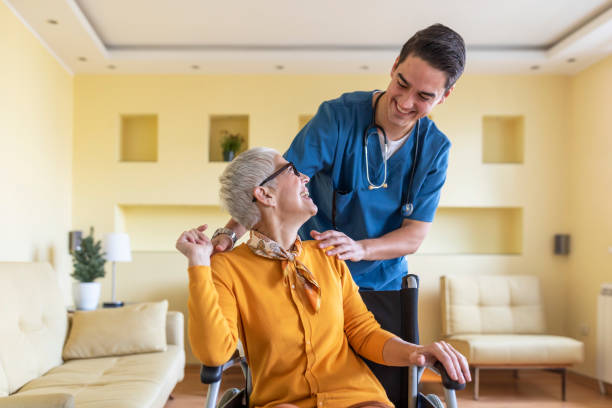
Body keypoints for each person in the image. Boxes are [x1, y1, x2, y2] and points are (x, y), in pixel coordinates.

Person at [177, 148, 470, 408]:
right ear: (265, 194)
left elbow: (364, 333)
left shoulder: (327, 255)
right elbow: (215, 354)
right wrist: (198, 266)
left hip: (356, 396)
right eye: (291, 170)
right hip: (282, 401)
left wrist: (417, 352)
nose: (305, 177)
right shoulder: (227, 269)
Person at [210, 24, 466, 291]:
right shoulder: (338, 118)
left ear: (445, 95)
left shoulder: (434, 150)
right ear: (394, 66)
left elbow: (413, 236)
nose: (404, 103)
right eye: (402, 84)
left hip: (381, 284)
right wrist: (229, 235)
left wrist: (360, 248)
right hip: (314, 276)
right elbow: (275, 186)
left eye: (424, 96)